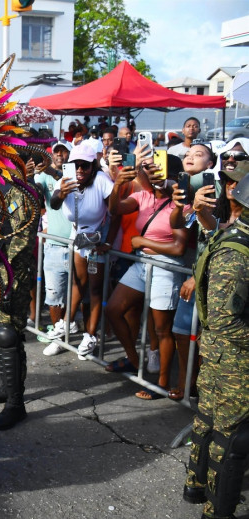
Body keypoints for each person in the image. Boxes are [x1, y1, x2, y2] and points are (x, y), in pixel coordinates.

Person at [181, 171, 249, 519]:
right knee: (230, 437)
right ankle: (216, 509)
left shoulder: (236, 238)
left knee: (210, 421)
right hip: (233, 358)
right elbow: (226, 319)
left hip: (223, 352)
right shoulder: (238, 250)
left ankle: (196, 486)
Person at [105, 146, 188, 394]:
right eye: (148, 168)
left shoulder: (180, 201)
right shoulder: (144, 197)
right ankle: (134, 359)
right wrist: (118, 184)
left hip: (166, 268)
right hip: (142, 265)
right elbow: (114, 209)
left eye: (157, 169)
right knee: (114, 309)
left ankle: (161, 384)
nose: (151, 173)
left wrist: (143, 242)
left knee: (163, 330)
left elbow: (178, 247)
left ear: (173, 174)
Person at [0, 159, 41, 430]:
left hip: (11, 275)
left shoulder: (24, 193)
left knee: (8, 334)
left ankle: (16, 404)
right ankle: (7, 387)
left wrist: (4, 278)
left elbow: (21, 240)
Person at [50, 144, 115, 359]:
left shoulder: (101, 181)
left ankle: (90, 335)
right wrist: (61, 193)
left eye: (85, 166)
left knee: (95, 291)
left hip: (98, 241)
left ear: (93, 166)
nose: (79, 170)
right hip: (78, 239)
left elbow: (115, 214)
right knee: (78, 285)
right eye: (75, 165)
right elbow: (54, 204)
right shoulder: (66, 181)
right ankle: (67, 323)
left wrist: (109, 242)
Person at [35, 141, 81, 351]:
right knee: (54, 295)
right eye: (57, 152)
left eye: (65, 152)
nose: (61, 155)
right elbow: (36, 197)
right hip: (54, 244)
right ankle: (58, 337)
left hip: (79, 246)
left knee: (78, 292)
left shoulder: (80, 176)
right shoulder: (44, 175)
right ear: (51, 155)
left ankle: (75, 330)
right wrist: (32, 175)